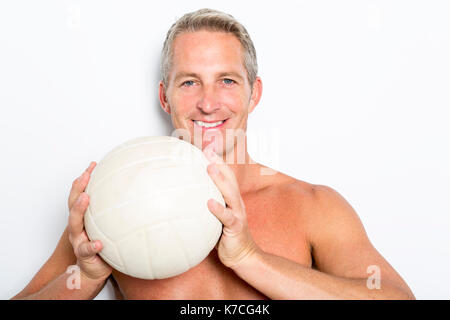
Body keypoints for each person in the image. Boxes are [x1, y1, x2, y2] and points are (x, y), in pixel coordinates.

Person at [11, 8, 414, 300]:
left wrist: (250, 259)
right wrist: (84, 277)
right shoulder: (111, 209)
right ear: (164, 98)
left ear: (253, 93)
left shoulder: (313, 206)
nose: (208, 103)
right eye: (188, 82)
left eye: (226, 80)